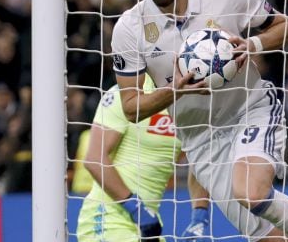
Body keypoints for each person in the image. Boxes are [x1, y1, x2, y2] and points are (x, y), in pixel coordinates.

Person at [111, 0, 288, 242]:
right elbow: (131, 108)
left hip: (249, 109)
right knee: (272, 237)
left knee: (251, 193)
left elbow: (287, 28)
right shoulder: (130, 28)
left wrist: (251, 44)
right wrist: (177, 91)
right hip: (200, 139)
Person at [76, 74, 210, 241]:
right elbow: (94, 160)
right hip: (107, 219)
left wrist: (199, 215)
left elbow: (198, 160)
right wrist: (136, 208)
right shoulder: (126, 95)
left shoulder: (193, 99)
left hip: (149, 222)